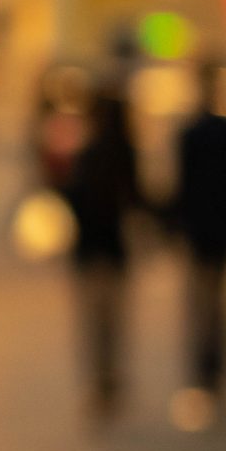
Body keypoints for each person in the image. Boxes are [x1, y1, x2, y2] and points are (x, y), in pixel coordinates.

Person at [170, 62, 226, 415]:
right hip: (222, 228)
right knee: (218, 302)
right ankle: (214, 369)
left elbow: (181, 190)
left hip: (202, 230)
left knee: (203, 302)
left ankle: (205, 371)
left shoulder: (192, 133)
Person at [56, 76, 147, 422]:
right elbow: (138, 201)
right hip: (114, 251)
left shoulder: (88, 155)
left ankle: (101, 383)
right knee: (114, 322)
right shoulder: (125, 154)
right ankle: (110, 381)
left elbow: (74, 199)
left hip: (90, 252)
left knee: (95, 324)